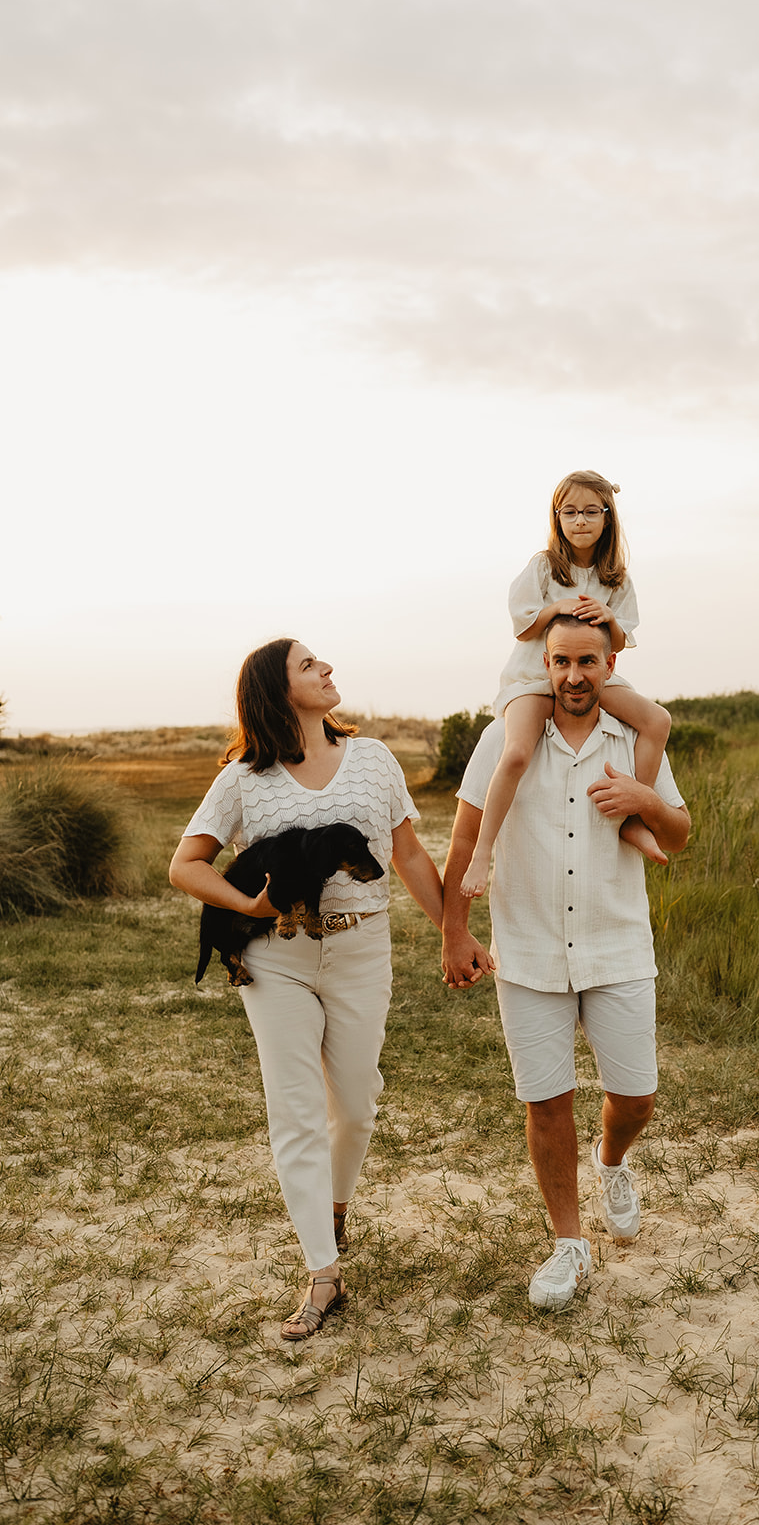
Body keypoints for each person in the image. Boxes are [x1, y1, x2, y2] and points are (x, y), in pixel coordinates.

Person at [169, 638, 442, 1341]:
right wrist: (250, 907)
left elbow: (407, 853)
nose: (326, 669)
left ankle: (336, 1204)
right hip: (277, 957)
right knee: (294, 1112)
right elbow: (185, 865)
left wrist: (455, 932)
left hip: (361, 948)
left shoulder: (374, 759)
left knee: (354, 1106)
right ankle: (323, 1273)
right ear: (276, 689)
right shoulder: (241, 778)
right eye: (308, 665)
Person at [442, 614, 690, 1310]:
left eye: (587, 661)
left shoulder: (633, 738)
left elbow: (679, 830)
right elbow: (464, 838)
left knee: (635, 1097)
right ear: (542, 665)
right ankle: (569, 1247)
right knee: (545, 1102)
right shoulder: (503, 737)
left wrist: (645, 801)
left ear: (609, 663)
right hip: (527, 952)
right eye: (560, 662)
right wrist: (452, 932)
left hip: (618, 947)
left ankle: (610, 1160)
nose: (573, 676)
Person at [460, 470, 671, 899]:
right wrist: (556, 608)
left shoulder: (616, 578)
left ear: (607, 517)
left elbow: (618, 643)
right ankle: (484, 851)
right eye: (570, 512)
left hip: (588, 674)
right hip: (536, 675)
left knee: (657, 720)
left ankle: (633, 817)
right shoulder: (544, 566)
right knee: (516, 750)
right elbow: (522, 628)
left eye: (591, 512)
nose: (580, 521)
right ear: (557, 517)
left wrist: (608, 617)